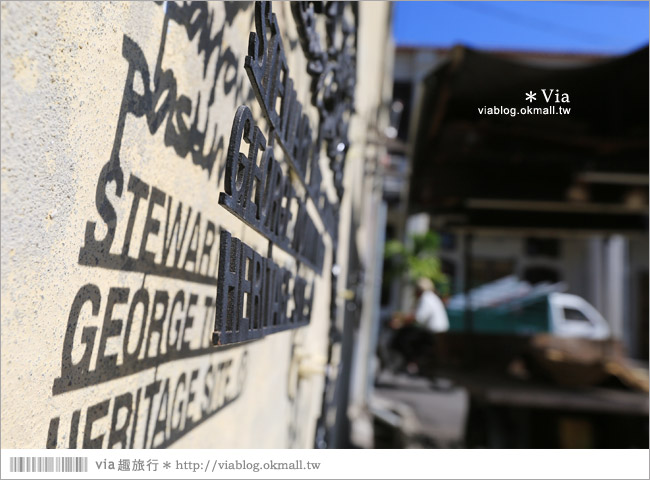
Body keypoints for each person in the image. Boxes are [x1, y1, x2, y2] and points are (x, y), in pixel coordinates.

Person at [389, 277, 449, 374]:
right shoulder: (430, 297)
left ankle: (412, 363)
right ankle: (412, 363)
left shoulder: (426, 297)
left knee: (402, 339)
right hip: (435, 331)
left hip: (433, 332)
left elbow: (418, 318)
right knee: (407, 335)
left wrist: (400, 320)